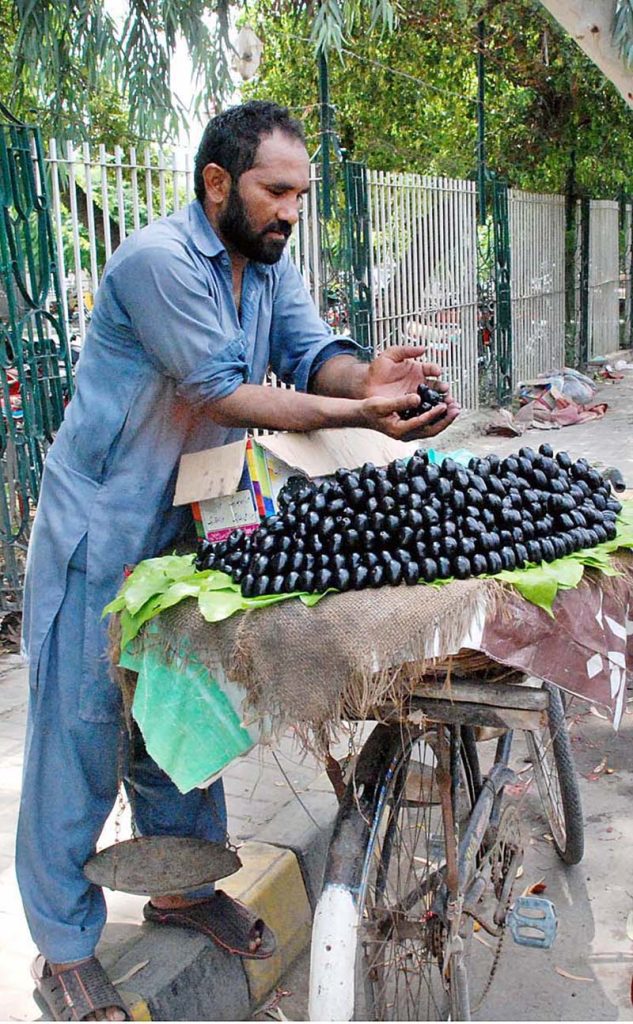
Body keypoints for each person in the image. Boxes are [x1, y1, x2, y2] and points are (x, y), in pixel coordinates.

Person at [17, 100, 460, 1021]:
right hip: (100, 530)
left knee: (178, 713)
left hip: (192, 527)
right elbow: (224, 391)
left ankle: (182, 885)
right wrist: (360, 416)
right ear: (218, 182)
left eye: (299, 193)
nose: (289, 210)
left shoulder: (265, 264)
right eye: (275, 190)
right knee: (82, 729)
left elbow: (311, 356)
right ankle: (62, 944)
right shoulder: (155, 263)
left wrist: (367, 380)